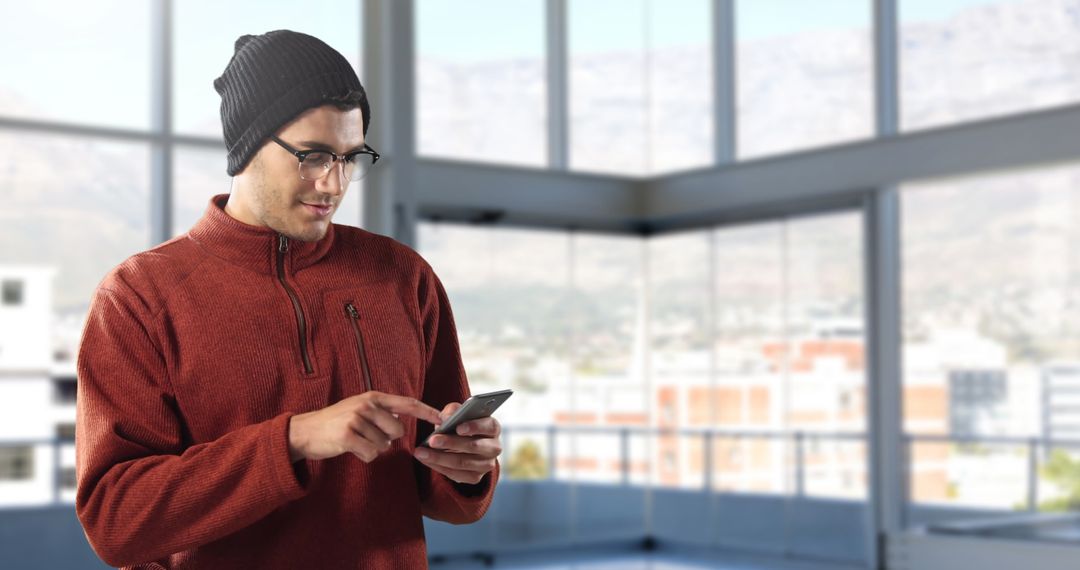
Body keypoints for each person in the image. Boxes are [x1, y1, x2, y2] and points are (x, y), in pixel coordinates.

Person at [75, 29, 500, 569]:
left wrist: (468, 469)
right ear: (247, 146)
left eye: (351, 157)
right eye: (314, 155)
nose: (333, 183)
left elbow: (446, 495)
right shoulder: (138, 296)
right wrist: (295, 439)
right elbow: (117, 522)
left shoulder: (402, 276)